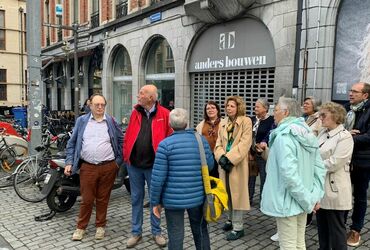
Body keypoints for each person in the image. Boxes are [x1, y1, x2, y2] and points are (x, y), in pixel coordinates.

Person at [260, 97, 326, 250]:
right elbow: (319, 169)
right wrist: (312, 197)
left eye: (275, 110)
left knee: (289, 244)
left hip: (288, 201)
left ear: (286, 112)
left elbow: (289, 175)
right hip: (304, 198)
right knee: (298, 242)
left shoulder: (284, 137)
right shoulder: (307, 133)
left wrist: (308, 200)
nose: (273, 114)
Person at [151, 108, 214, 250]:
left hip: (172, 199)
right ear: (187, 122)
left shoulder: (165, 145)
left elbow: (157, 179)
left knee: (175, 234)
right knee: (200, 230)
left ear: (170, 124)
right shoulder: (201, 141)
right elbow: (209, 165)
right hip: (197, 196)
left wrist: (155, 202)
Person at [64, 94, 123, 241]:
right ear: (90, 105)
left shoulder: (111, 121)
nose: (99, 107)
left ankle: (100, 226)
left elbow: (122, 141)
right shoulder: (82, 121)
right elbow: (72, 144)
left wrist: (118, 162)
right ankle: (81, 227)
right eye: (96, 104)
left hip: (108, 166)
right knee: (87, 199)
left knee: (103, 199)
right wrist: (69, 162)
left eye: (102, 104)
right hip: (88, 167)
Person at [123, 84, 172, 248]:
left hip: (154, 167)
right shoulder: (135, 112)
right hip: (135, 166)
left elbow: (169, 139)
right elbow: (129, 133)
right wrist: (126, 154)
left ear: (151, 97)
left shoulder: (165, 114)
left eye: (142, 93)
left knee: (155, 200)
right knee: (136, 199)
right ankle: (136, 233)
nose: (138, 95)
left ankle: (156, 232)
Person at [316, 102, 354, 250]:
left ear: (335, 116)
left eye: (324, 115)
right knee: (322, 227)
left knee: (336, 228)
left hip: (334, 189)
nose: (320, 117)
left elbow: (334, 163)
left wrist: (312, 166)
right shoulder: (322, 132)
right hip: (320, 187)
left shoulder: (345, 137)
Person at [214, 96, 252, 241]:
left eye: (232, 106)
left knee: (237, 195)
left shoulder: (246, 121)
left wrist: (229, 159)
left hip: (237, 164)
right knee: (227, 194)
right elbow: (218, 143)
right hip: (224, 164)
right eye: (227, 106)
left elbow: (245, 143)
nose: (229, 108)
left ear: (238, 107)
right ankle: (229, 220)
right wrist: (221, 157)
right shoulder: (223, 122)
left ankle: (238, 227)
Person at [344, 82, 370, 247]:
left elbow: (368, 137)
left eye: (355, 91)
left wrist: (348, 138)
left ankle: (356, 229)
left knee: (360, 197)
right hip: (345, 158)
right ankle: (339, 224)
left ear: (365, 95)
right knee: (344, 193)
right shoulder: (347, 109)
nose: (350, 93)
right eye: (350, 90)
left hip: (363, 161)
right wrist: (346, 134)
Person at [248, 98, 274, 205]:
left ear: (265, 108)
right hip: (251, 153)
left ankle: (263, 201)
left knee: (264, 177)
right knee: (250, 177)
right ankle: (248, 199)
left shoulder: (271, 120)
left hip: (263, 153)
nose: (255, 108)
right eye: (255, 106)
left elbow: (270, 134)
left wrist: (264, 142)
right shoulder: (252, 119)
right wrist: (249, 151)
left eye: (258, 106)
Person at [302, 96, 322, 226]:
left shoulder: (319, 119)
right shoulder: (303, 118)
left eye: (307, 103)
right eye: (304, 103)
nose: (304, 105)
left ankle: (309, 216)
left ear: (314, 106)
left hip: (312, 154)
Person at [196, 100, 222, 178]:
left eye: (213, 108)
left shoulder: (224, 123)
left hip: (219, 156)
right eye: (208, 108)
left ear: (217, 110)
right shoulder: (201, 125)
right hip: (206, 156)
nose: (210, 110)